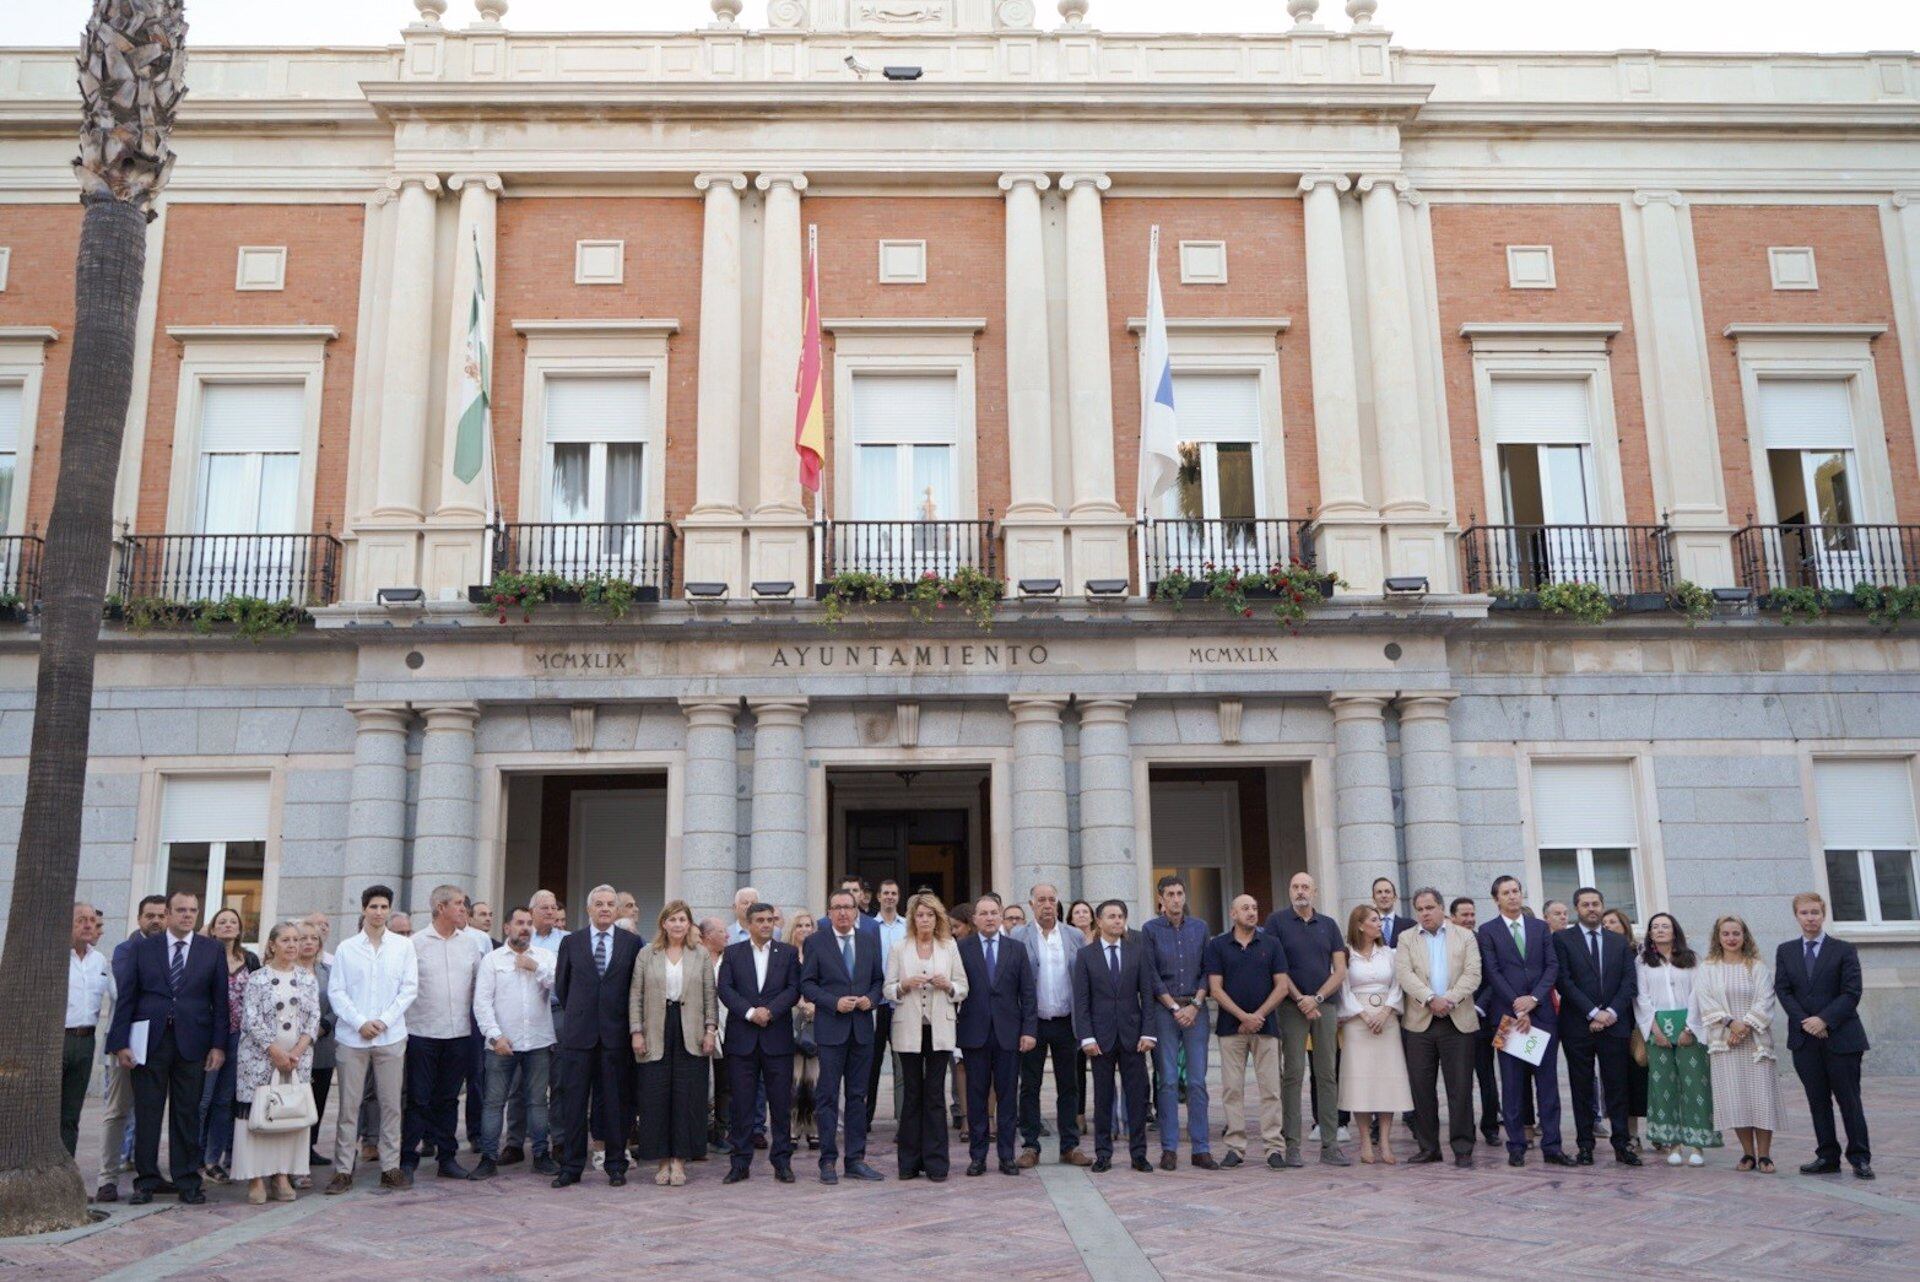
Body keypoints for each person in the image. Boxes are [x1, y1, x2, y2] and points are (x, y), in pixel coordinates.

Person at [106, 889, 231, 1205]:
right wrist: (119, 1042)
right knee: (147, 1113)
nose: (187, 915)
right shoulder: (144, 949)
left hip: (194, 1043)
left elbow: (220, 1001)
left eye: (193, 910)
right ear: (169, 913)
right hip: (150, 1042)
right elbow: (128, 997)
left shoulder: (211, 950)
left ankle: (187, 1181)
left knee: (187, 1113)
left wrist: (218, 1045)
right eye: (181, 910)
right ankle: (146, 1181)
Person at [325, 885, 417, 1193]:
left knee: (391, 1104)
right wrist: (360, 1021)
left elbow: (408, 989)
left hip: (391, 1036)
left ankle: (390, 1167)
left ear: (389, 910)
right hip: (353, 1037)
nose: (379, 912)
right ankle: (342, 1169)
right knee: (349, 1107)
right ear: (364, 909)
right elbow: (336, 991)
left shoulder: (403, 948)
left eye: (383, 907)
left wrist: (383, 1021)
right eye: (373, 906)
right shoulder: (347, 948)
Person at [1477, 875, 1573, 1168]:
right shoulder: (1488, 931)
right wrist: (1518, 1006)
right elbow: (1492, 972)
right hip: (1508, 1018)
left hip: (1542, 1015)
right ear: (1497, 899)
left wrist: (1534, 999)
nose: (1513, 896)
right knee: (1513, 1086)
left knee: (1547, 1086)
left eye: (1516, 891)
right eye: (1506, 893)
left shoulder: (1539, 927)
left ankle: (1553, 1146)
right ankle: (1516, 1145)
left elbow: (1552, 966)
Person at [1774, 892, 1871, 1179]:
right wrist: (1806, 1021)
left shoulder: (1843, 950)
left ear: (1823, 914)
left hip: (1841, 1038)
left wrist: (1824, 1019)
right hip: (1805, 1040)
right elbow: (1783, 990)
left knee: (1849, 1100)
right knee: (1818, 1101)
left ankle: (1860, 1157)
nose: (1810, 918)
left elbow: (1851, 991)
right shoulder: (1786, 951)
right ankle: (1827, 1155)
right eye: (1804, 913)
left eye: (1815, 912)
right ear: (1796, 916)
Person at [551, 884, 641, 1188]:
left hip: (615, 1037)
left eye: (610, 904)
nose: (604, 908)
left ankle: (616, 1165)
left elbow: (634, 988)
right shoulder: (571, 943)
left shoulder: (631, 943)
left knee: (615, 1104)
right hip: (579, 1037)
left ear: (616, 909)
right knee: (574, 1104)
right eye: (599, 904)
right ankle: (571, 1167)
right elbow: (562, 988)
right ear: (589, 909)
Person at [800, 889, 887, 1183]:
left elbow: (878, 981)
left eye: (848, 907)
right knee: (827, 1097)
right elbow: (807, 984)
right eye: (836, 908)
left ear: (856, 911)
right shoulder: (815, 942)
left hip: (862, 1030)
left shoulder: (868, 941)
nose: (843, 913)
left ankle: (855, 1160)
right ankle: (827, 1161)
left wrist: (871, 999)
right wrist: (832, 1002)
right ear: (829, 913)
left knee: (857, 1097)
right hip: (831, 1030)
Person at [629, 900, 717, 1188]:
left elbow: (709, 995)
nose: (678, 924)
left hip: (690, 1029)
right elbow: (636, 995)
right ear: (663, 924)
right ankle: (662, 1160)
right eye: (673, 919)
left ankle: (680, 1160)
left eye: (683, 919)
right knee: (656, 1096)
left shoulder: (700, 954)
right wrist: (636, 1032)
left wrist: (710, 1030)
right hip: (655, 1028)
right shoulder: (647, 954)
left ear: (689, 924)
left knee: (687, 1096)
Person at [1264, 872, 1349, 1167]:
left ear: (1315, 891)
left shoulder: (1329, 925)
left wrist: (1318, 999)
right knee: (1293, 1074)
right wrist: (1301, 998)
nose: (1300, 891)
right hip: (1290, 1007)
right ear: (1289, 891)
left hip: (1324, 1008)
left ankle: (1330, 1145)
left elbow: (1339, 970)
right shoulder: (1276, 922)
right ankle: (1292, 1147)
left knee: (1326, 1074)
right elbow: (1276, 967)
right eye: (1295, 887)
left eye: (1305, 887)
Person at [231, 921, 320, 1204]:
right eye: (286, 940)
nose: (293, 945)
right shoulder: (257, 978)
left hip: (297, 1059)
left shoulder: (307, 978)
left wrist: (296, 1050)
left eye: (296, 940)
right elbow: (251, 1018)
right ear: (272, 945)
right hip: (260, 1058)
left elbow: (314, 1018)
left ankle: (282, 1175)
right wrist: (274, 1051)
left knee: (289, 1113)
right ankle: (256, 1178)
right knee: (258, 1114)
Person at [1552, 886, 1640, 1167]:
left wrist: (1610, 1012)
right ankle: (1585, 1145)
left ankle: (1622, 1144)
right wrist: (1592, 1012)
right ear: (1577, 908)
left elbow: (1629, 982)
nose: (1591, 908)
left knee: (1617, 1086)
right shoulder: (1563, 939)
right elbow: (1563, 981)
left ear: (1603, 906)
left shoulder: (1619, 941)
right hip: (1578, 1026)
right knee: (1582, 1088)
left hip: (1615, 1025)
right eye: (1585, 904)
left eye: (1596, 904)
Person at [403, 885, 485, 1182]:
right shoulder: (414, 944)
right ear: (440, 908)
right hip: (422, 1032)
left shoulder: (471, 944)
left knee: (449, 1099)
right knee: (418, 1098)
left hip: (460, 1033)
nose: (464, 909)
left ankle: (447, 1158)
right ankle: (408, 1159)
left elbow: (478, 987)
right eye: (459, 904)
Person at [885, 891, 967, 1181]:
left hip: (940, 1028)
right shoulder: (899, 947)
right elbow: (888, 988)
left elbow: (963, 987)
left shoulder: (949, 947)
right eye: (920, 915)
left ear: (937, 918)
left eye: (930, 915)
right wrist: (903, 985)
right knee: (911, 1095)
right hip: (908, 1027)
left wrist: (948, 986)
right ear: (912, 919)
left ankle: (936, 1163)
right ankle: (908, 1163)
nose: (924, 919)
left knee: (934, 1095)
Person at [1396, 888, 1482, 1168]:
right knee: (1421, 1089)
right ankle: (1429, 1147)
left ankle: (1463, 1148)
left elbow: (1473, 974)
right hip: (1420, 1023)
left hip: (1457, 1021)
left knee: (1459, 1088)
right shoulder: (1406, 938)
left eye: (1430, 908)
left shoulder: (1464, 936)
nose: (1424, 913)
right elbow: (1405, 975)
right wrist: (1431, 998)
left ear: (1442, 909)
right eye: (1419, 909)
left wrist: (1450, 1000)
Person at [1204, 894, 1290, 1169]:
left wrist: (1258, 1016)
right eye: (1245, 908)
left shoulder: (1272, 944)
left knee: (1271, 1090)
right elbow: (1215, 988)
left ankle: (1274, 1148)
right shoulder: (1217, 946)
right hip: (1231, 1028)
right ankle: (1235, 1147)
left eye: (1254, 907)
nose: (1252, 912)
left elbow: (1282, 986)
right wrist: (1243, 1017)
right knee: (1232, 1090)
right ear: (1233, 913)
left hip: (1266, 1027)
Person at [717, 901, 800, 1184]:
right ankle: (740, 1163)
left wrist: (771, 1011)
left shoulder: (787, 954)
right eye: (760, 920)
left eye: (770, 920)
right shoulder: (732, 953)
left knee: (780, 1105)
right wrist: (751, 1013)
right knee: (741, 1105)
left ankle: (782, 1162)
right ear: (749, 924)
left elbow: (793, 988)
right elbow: (725, 989)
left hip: (777, 1040)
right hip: (743, 1041)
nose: (766, 924)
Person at [1072, 899, 1157, 1173]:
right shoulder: (1086, 956)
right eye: (1111, 916)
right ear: (1099, 921)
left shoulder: (1138, 952)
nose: (1117, 921)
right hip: (1100, 1038)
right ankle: (1103, 1154)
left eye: (1121, 916)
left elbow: (1147, 995)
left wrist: (1149, 1033)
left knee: (1137, 1098)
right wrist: (1086, 1037)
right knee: (1102, 1097)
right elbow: (1081, 1001)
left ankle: (1139, 1154)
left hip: (1134, 1036)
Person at [1693, 914, 1782, 1173]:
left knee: (1761, 1097)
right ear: (1718, 938)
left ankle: (1765, 1155)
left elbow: (1766, 999)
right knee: (1736, 1098)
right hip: (1725, 1041)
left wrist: (1746, 1026)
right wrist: (1731, 1023)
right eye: (1726, 934)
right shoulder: (1709, 968)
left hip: (1756, 1042)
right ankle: (1747, 1154)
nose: (1731, 938)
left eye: (1736, 933)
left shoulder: (1757, 966)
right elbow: (1705, 999)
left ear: (1745, 936)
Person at [472, 906, 556, 1179]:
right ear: (507, 927)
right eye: (519, 922)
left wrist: (536, 968)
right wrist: (495, 1036)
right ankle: (488, 1158)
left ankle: (542, 1155)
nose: (525, 927)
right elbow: (482, 1002)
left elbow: (561, 984)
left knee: (538, 1102)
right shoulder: (493, 960)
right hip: (501, 1045)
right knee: (494, 1103)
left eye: (529, 923)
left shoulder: (545, 957)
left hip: (538, 1042)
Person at [956, 892, 1036, 1177]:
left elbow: (1027, 994)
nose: (989, 917)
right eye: (984, 913)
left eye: (994, 912)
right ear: (975, 919)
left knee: (1007, 1098)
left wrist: (1029, 1030)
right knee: (976, 1099)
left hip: (1008, 1034)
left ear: (1001, 917)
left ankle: (1006, 1156)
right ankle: (978, 1157)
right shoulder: (962, 949)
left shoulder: (1016, 949)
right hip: (974, 1033)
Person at [1011, 882, 1089, 1167]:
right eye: (1041, 900)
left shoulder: (1074, 936)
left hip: (1066, 1021)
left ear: (1058, 904)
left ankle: (1070, 1145)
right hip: (1033, 1023)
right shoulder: (1018, 936)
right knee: (1029, 1086)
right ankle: (1030, 1146)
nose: (1047, 905)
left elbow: (1082, 980)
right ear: (1030, 904)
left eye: (1051, 900)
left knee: (1069, 1085)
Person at [97, 895, 169, 1202]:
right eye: (149, 915)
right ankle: (107, 1178)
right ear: (139, 919)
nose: (155, 921)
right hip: (127, 1041)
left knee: (151, 1112)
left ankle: (148, 1173)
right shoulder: (127, 950)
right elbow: (127, 990)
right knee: (117, 1111)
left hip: (161, 1043)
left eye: (160, 916)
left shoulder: (176, 952)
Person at [1141, 874, 1214, 1170]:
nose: (1175, 898)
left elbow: (1208, 969)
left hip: (1196, 1009)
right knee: (1168, 1081)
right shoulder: (1150, 930)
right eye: (1169, 893)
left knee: (1197, 1082)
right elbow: (1151, 973)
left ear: (1185, 896)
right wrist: (1173, 1007)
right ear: (1160, 898)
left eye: (1179, 893)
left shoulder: (1200, 928)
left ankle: (1201, 1149)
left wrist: (1195, 1004)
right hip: (1164, 1011)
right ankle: (1169, 1148)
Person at [1635, 911, 1718, 1166]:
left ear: (1675, 931)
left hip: (1689, 1024)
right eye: (1655, 927)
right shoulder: (1642, 961)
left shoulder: (1691, 958)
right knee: (1664, 1086)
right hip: (1657, 1025)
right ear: (1649, 933)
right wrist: (1655, 1031)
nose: (1660, 930)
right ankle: (1673, 1143)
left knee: (1694, 1083)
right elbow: (1641, 996)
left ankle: (1697, 1144)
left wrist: (1690, 1028)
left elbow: (1699, 993)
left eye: (1665, 926)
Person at [1337, 904, 1412, 1164]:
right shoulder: (1346, 954)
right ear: (1360, 925)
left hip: (1387, 1020)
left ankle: (1386, 1142)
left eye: (1379, 920)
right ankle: (1366, 1142)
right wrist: (1363, 1014)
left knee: (1386, 1081)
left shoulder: (1389, 953)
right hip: (1357, 1022)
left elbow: (1398, 983)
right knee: (1361, 1082)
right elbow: (1343, 987)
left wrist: (1386, 1012)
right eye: (1373, 919)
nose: (1379, 923)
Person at [198, 906, 260, 1186]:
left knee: (225, 1101)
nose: (227, 926)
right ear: (211, 928)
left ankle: (214, 1160)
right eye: (221, 922)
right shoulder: (202, 956)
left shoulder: (250, 959)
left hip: (240, 1038)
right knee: (203, 1100)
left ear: (239, 928)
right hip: (209, 1038)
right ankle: (194, 1158)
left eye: (232, 921)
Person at [1450, 896, 1502, 1147]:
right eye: (1464, 915)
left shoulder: (1484, 940)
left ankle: (1491, 1126)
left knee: (1487, 1077)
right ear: (1452, 918)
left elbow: (1494, 978)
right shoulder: (1446, 942)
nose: (1470, 919)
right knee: (1460, 1080)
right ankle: (1464, 1128)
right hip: (1452, 1019)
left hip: (1482, 1019)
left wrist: (1478, 1007)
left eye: (1472, 915)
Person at [63, 902, 112, 1159]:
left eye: (92, 920)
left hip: (85, 1041)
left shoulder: (100, 960)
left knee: (71, 1113)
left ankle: (66, 1171)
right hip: (57, 1039)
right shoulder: (55, 957)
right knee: (47, 1111)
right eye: (81, 919)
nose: (88, 924)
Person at [1601, 908, 1649, 1149]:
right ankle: (1631, 1134)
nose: (1608, 925)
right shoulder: (1600, 952)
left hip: (1642, 1020)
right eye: (1604, 922)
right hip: (1615, 1020)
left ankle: (1660, 1130)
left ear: (1624, 925)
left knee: (1646, 1078)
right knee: (1622, 1080)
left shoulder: (1639, 952)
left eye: (1613, 921)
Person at [294, 920, 335, 1181]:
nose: (309, 942)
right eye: (303, 938)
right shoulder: (287, 971)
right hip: (294, 1047)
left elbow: (338, 1002)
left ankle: (310, 1147)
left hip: (323, 1045)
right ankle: (295, 1150)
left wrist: (323, 1026)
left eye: (313, 939)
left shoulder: (329, 971)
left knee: (317, 1099)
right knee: (296, 1100)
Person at [867, 878, 908, 1130]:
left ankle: (904, 1120)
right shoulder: (869, 927)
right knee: (870, 1064)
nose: (890, 897)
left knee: (902, 1064)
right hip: (875, 1004)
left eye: (894, 893)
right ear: (878, 897)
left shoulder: (908, 926)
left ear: (898, 896)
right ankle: (865, 1119)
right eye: (885, 893)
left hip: (901, 1003)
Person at [698, 916, 733, 1152]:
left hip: (728, 1029)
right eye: (722, 932)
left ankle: (720, 1133)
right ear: (708, 935)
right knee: (699, 1084)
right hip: (698, 1030)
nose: (727, 936)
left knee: (725, 1085)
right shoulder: (695, 959)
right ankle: (698, 1133)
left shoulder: (730, 960)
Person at [787, 915, 821, 1152]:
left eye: (808, 925)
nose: (804, 929)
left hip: (818, 1019)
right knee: (794, 1080)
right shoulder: (787, 956)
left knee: (815, 1079)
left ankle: (813, 1129)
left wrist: (815, 1005)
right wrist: (799, 1003)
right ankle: (792, 1129)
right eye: (799, 925)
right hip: (791, 1019)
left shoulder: (820, 953)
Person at [1066, 898, 1097, 1135]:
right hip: (1075, 1009)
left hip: (1100, 1009)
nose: (1082, 915)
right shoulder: (1066, 939)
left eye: (1085, 911)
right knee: (1076, 1068)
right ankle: (1078, 1114)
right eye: (1077, 912)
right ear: (1070, 917)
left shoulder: (1100, 938)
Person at [1372, 878, 1415, 949]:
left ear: (1395, 897)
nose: (1384, 896)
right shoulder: (1367, 927)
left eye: (1387, 892)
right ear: (1373, 899)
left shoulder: (1410, 926)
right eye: (1379, 892)